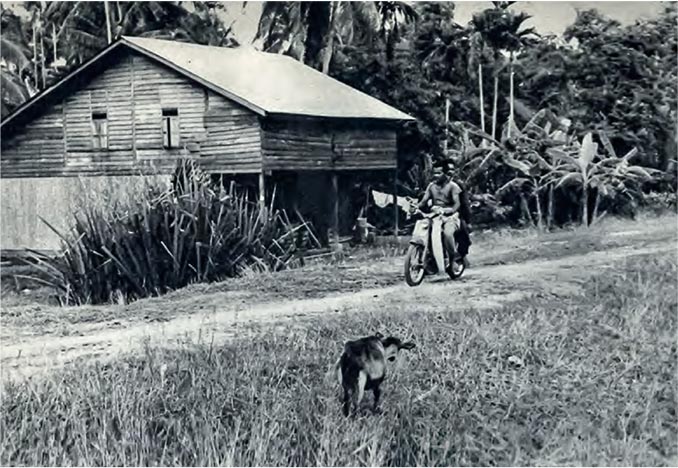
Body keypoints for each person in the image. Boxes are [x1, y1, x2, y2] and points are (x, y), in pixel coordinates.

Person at [417, 165, 463, 263]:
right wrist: (415, 207)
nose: (435, 176)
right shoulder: (431, 186)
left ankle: (453, 257)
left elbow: (457, 204)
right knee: (423, 231)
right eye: (434, 173)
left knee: (447, 234)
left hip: (450, 217)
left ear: (445, 174)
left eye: (438, 173)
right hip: (434, 216)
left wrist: (449, 210)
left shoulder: (453, 186)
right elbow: (423, 201)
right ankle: (428, 256)